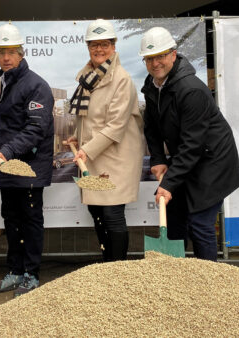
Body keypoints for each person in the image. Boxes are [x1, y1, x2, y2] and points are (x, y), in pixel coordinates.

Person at [139, 27, 239, 261]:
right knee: (174, 216)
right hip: (188, 158)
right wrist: (157, 160)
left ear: (173, 55)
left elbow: (192, 144)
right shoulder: (152, 86)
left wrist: (169, 182)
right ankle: (177, 278)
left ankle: (208, 283)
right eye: (150, 58)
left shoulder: (191, 90)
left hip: (213, 161)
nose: (156, 63)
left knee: (200, 223)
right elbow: (151, 128)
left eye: (161, 56)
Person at [0, 23, 54, 297]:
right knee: (11, 218)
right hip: (5, 164)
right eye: (0, 52)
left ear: (21, 53)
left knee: (30, 219)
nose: (6, 57)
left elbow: (35, 129)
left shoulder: (37, 86)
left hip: (29, 166)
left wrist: (6, 150)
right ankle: (15, 271)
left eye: (11, 52)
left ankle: (31, 274)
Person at [66, 19, 144, 262]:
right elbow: (89, 118)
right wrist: (77, 138)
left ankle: (117, 270)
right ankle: (106, 267)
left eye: (104, 44)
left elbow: (116, 125)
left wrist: (86, 150)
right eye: (93, 45)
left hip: (116, 157)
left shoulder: (121, 79)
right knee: (96, 211)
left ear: (113, 45)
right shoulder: (88, 77)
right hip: (94, 155)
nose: (99, 50)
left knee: (112, 213)